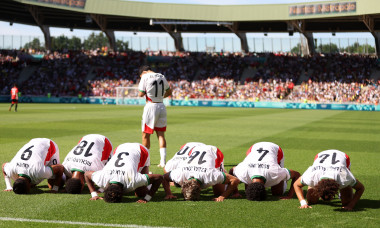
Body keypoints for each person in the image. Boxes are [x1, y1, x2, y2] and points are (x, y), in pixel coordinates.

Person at [84, 143, 162, 203]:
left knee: (140, 193)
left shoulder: (132, 180)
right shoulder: (102, 179)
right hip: (120, 147)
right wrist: (94, 194)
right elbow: (86, 174)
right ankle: (147, 177)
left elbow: (159, 177)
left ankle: (148, 177)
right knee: (139, 187)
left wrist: (147, 198)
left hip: (141, 151)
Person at [163, 144, 239, 201]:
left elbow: (235, 180)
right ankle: (222, 176)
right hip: (195, 150)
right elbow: (164, 177)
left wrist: (223, 196)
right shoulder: (179, 174)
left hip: (214, 152)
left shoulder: (210, 176)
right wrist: (168, 193)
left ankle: (222, 172)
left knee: (218, 192)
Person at [293, 149, 365, 210]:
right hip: (320, 156)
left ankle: (345, 189)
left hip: (343, 157)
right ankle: (312, 186)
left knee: (346, 202)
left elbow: (361, 188)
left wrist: (351, 205)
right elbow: (296, 184)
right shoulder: (311, 176)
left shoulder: (344, 177)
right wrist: (303, 202)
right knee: (311, 200)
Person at [230, 142, 300, 201]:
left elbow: (297, 175)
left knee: (277, 192)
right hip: (254, 148)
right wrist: (235, 192)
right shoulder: (243, 172)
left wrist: (289, 195)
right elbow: (231, 171)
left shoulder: (275, 173)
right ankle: (283, 177)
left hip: (275, 149)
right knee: (250, 190)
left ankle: (284, 179)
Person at [138, 65, 172, 168]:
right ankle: (163, 162)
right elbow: (169, 91)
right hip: (161, 105)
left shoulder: (145, 77)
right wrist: (161, 97)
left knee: (146, 135)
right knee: (161, 135)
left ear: (143, 72)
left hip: (151, 106)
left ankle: (145, 162)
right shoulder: (161, 76)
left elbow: (140, 94)